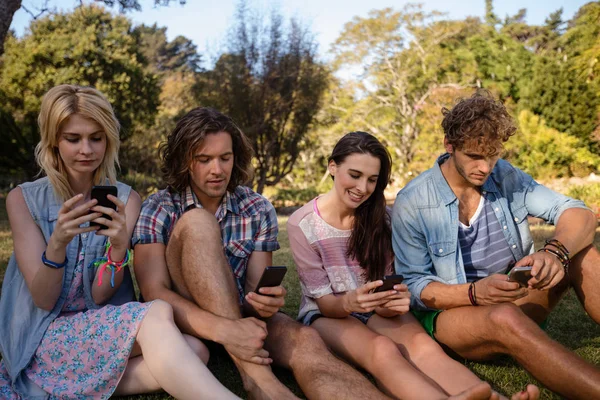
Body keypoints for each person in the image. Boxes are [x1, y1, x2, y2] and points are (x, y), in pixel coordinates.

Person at [0, 84, 239, 399]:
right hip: (44, 335)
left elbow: (99, 295)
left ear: (108, 141)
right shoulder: (23, 200)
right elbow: (44, 299)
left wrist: (115, 249)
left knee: (196, 351)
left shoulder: (126, 199)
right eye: (73, 139)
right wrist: (57, 243)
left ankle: (58, 387)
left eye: (96, 138)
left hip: (99, 326)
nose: (86, 150)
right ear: (54, 141)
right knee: (156, 314)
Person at [287, 131, 539, 400]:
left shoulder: (382, 217)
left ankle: (493, 398)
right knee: (381, 350)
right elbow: (326, 304)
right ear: (333, 167)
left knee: (423, 346)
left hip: (376, 309)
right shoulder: (303, 225)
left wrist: (393, 299)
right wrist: (351, 302)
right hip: (329, 314)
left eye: (372, 180)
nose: (362, 188)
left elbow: (394, 280)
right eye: (355, 175)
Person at [392, 90, 600, 399]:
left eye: (492, 156)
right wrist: (475, 293)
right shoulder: (413, 200)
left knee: (583, 255)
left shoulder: (505, 176)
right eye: (474, 157)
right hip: (456, 313)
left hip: (514, 294)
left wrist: (555, 252)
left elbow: (579, 213)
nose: (485, 167)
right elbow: (415, 286)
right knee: (504, 317)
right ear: (449, 147)